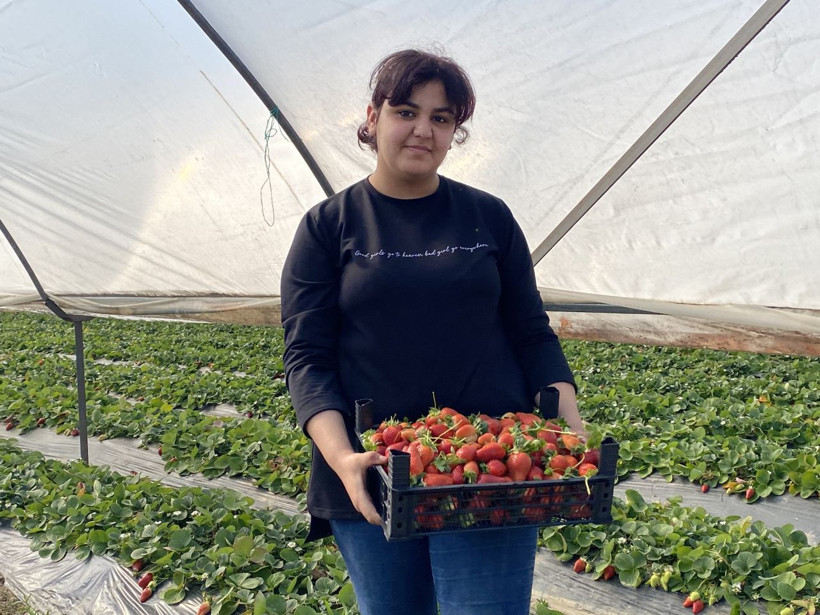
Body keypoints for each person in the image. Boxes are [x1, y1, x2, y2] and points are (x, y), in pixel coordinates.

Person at [281, 48, 586, 615]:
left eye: (441, 118)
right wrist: (343, 457)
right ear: (373, 118)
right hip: (373, 465)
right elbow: (307, 357)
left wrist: (568, 433)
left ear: (454, 132)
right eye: (405, 111)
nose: (423, 129)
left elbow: (532, 332)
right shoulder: (329, 226)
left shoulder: (488, 216)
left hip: (489, 468)